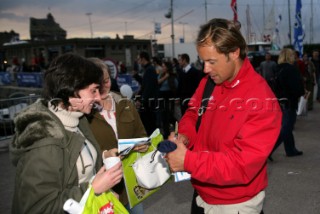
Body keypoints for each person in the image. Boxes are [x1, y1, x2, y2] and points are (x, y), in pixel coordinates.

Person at [166, 18, 282, 214]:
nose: (205, 69)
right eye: (203, 61)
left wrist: (188, 161)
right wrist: (184, 137)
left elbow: (241, 165)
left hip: (234, 204)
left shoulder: (262, 100)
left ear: (234, 52)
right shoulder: (209, 82)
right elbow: (193, 114)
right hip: (202, 192)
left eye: (212, 61)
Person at [9, 53, 124, 213]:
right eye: (93, 90)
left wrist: (104, 157)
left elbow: (79, 166)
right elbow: (39, 208)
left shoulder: (78, 121)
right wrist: (93, 189)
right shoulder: (44, 141)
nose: (98, 98)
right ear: (72, 89)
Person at [85, 57, 148, 214]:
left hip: (132, 185)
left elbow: (141, 133)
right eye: (99, 83)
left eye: (106, 80)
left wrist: (143, 144)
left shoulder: (125, 103)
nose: (105, 86)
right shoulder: (84, 114)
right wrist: (105, 155)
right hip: (105, 189)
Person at [271, 48, 305, 157]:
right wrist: (302, 91)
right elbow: (296, 87)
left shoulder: (277, 69)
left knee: (287, 126)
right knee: (287, 126)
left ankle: (290, 150)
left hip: (280, 101)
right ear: (290, 56)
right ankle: (269, 149)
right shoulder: (291, 69)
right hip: (290, 101)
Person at [136, 51, 159, 136]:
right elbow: (144, 85)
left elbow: (148, 88)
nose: (138, 61)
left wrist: (141, 101)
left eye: (139, 59)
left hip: (149, 103)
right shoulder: (148, 69)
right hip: (148, 102)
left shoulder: (149, 70)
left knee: (149, 126)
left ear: (143, 59)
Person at [157, 61, 179, 138]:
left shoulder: (172, 76)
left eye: (163, 66)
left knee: (170, 115)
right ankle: (166, 133)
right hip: (162, 97)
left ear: (167, 67)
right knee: (163, 116)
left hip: (169, 97)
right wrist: (165, 77)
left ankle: (175, 130)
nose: (162, 68)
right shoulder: (161, 75)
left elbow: (176, 85)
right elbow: (157, 82)